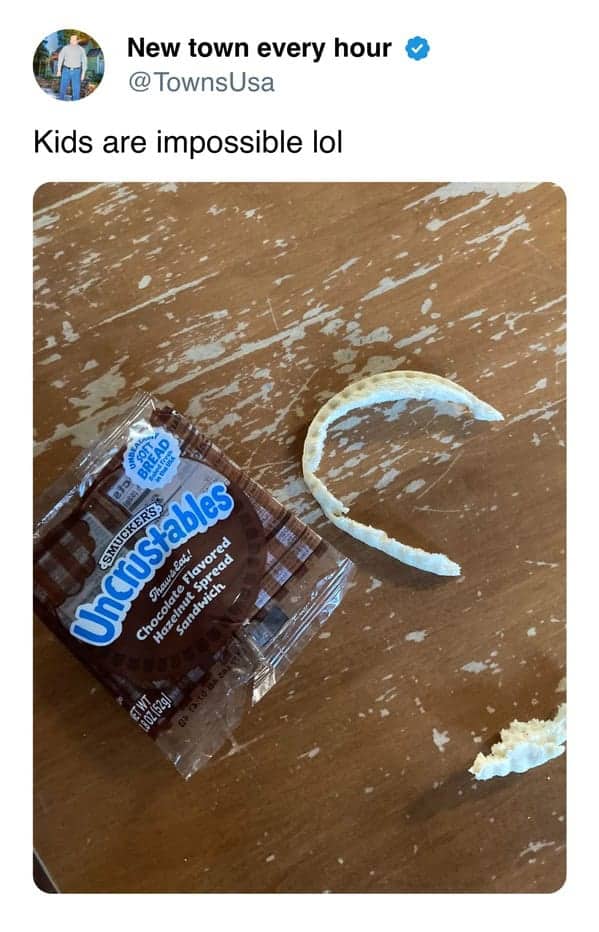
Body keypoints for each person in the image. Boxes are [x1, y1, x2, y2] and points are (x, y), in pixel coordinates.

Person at [56, 34, 87, 101]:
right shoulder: (65, 48)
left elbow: (84, 61)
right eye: (71, 39)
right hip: (66, 71)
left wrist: (83, 74)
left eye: (73, 39)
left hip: (76, 72)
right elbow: (60, 58)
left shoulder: (81, 50)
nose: (71, 41)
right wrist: (59, 70)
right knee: (62, 89)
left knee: (76, 91)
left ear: (77, 41)